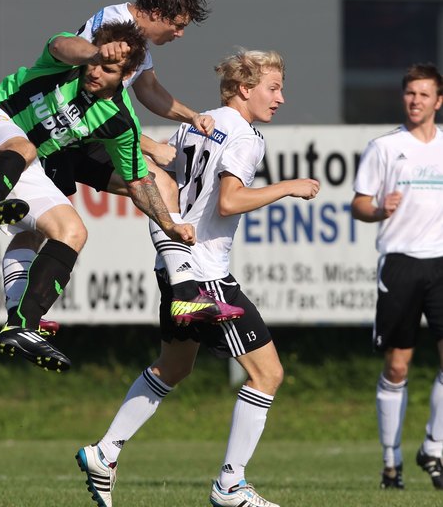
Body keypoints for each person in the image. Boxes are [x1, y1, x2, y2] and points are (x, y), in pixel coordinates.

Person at [75, 49, 320, 507]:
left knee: (174, 366)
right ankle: (231, 484)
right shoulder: (246, 137)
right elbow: (228, 201)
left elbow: (170, 181)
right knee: (267, 374)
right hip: (205, 273)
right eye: (273, 88)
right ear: (245, 89)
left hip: (174, 267)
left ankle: (104, 452)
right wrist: (288, 187)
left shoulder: (198, 121)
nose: (281, 99)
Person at [0, 20, 196, 372]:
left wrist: (168, 222)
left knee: (71, 230)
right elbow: (61, 44)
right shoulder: (69, 63)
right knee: (23, 145)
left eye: (107, 69)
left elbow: (139, 182)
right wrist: (93, 52)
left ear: (127, 74)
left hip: (11, 166)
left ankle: (22, 325)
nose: (95, 72)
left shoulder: (119, 121)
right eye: (95, 62)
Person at [2, 0, 244, 327]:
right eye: (178, 25)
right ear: (158, 13)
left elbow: (148, 92)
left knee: (158, 185)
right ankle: (18, 312)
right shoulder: (112, 24)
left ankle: (186, 293)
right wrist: (147, 145)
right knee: (37, 227)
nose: (179, 34)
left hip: (83, 139)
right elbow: (81, 91)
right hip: (53, 134)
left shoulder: (136, 43)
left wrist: (191, 116)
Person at [351, 62, 443, 491]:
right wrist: (378, 209)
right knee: (398, 366)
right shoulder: (384, 148)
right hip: (401, 263)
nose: (416, 100)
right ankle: (391, 462)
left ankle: (433, 447)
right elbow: (359, 205)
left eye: (424, 94)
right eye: (410, 93)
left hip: (441, 263)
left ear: (438, 101)